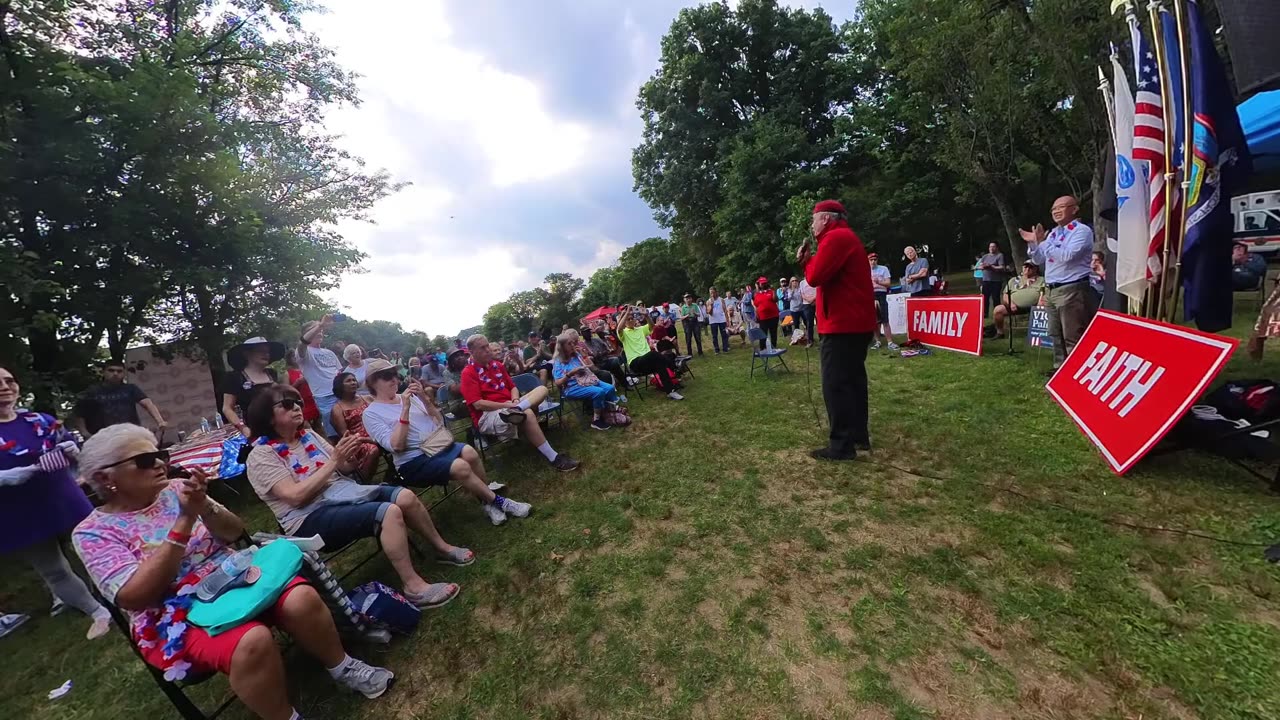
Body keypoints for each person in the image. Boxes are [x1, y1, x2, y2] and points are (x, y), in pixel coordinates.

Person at [74, 423, 395, 718]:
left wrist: (205, 506)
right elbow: (134, 596)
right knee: (251, 640)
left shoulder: (176, 489)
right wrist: (185, 521)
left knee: (301, 599)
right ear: (105, 478)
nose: (160, 463)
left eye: (160, 454)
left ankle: (343, 667)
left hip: (235, 578)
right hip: (175, 615)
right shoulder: (93, 532)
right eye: (145, 460)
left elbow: (233, 532)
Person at [245, 385, 466, 610]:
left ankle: (442, 548)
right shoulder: (261, 455)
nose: (297, 408)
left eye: (298, 402)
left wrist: (349, 456)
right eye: (287, 404)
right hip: (308, 518)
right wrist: (334, 462)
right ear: (267, 417)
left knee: (405, 496)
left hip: (342, 493)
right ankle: (414, 588)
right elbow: (296, 497)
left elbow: (343, 467)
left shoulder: (307, 435)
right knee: (388, 512)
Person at [0, 366, 112, 640]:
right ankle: (98, 612)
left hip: (64, 497)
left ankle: (121, 592)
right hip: (17, 512)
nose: (5, 387)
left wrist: (75, 453)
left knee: (102, 546)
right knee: (54, 570)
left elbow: (74, 458)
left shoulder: (40, 420)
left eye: (9, 380)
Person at [360, 360, 535, 525]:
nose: (394, 379)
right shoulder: (371, 413)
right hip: (413, 461)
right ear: (373, 382)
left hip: (437, 446)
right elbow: (396, 446)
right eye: (387, 376)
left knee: (470, 452)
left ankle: (487, 502)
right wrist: (404, 410)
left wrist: (424, 398)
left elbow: (439, 421)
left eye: (395, 374)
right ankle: (501, 502)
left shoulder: (409, 397)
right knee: (460, 466)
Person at [797, 200, 877, 461]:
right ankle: (857, 435)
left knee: (835, 384)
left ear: (826, 219)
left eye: (814, 219)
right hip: (855, 323)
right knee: (853, 381)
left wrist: (806, 261)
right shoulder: (845, 237)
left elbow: (816, 276)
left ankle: (841, 446)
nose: (812, 224)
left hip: (842, 325)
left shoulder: (835, 239)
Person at [460, 334, 581, 471]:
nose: (488, 349)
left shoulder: (497, 365)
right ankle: (554, 458)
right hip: (488, 414)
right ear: (472, 352)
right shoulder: (468, 373)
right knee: (528, 413)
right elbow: (478, 404)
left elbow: (513, 387)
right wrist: (507, 405)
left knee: (542, 389)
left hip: (511, 405)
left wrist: (515, 401)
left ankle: (517, 409)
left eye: (488, 345)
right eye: (483, 348)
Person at [1019, 195, 1099, 369]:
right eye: (1053, 209)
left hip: (1072, 288)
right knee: (1055, 333)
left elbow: (1067, 256)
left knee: (1072, 334)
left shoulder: (1081, 231)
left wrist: (1043, 242)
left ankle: (1077, 370)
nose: (1056, 211)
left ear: (1074, 209)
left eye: (1061, 207)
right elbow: (1040, 260)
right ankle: (1060, 369)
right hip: (1051, 290)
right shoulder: (1054, 233)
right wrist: (1034, 244)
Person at [73, 360, 167, 438]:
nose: (115, 373)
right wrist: (84, 433)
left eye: (119, 371)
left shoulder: (131, 389)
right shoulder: (92, 392)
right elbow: (79, 414)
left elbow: (147, 403)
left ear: (124, 373)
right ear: (103, 372)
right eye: (111, 370)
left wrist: (160, 421)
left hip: (131, 435)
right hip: (104, 438)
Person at [552, 333, 620, 431]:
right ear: (562, 347)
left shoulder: (576, 355)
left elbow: (592, 367)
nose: (573, 345)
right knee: (599, 392)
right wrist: (570, 374)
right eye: (569, 344)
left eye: (573, 343)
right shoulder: (558, 362)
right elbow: (558, 383)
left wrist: (584, 356)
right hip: (571, 387)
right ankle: (596, 420)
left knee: (609, 388)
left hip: (588, 380)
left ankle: (609, 412)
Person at [222, 337, 284, 439]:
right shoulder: (235, 377)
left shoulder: (272, 374)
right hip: (254, 430)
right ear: (247, 354)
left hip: (280, 426)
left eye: (268, 352)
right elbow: (227, 408)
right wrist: (243, 428)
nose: (266, 354)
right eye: (261, 351)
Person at [616, 309, 684, 400]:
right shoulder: (623, 333)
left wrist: (647, 316)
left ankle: (670, 391)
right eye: (628, 319)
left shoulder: (640, 329)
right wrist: (626, 313)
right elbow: (619, 328)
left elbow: (652, 327)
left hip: (648, 361)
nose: (631, 320)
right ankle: (674, 366)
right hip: (635, 363)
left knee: (661, 364)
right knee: (654, 354)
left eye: (632, 318)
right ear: (624, 322)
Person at [297, 315, 344, 436]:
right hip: (324, 398)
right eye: (317, 329)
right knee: (336, 434)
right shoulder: (304, 353)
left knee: (353, 428)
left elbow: (340, 372)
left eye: (321, 330)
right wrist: (320, 325)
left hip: (342, 394)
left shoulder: (329, 353)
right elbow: (302, 342)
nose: (320, 332)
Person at [328, 373, 380, 480]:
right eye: (348, 381)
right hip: (358, 441)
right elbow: (345, 435)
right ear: (340, 386)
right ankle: (364, 482)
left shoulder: (368, 398)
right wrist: (366, 439)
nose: (353, 382)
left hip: (377, 432)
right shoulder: (337, 409)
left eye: (354, 380)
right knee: (372, 449)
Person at [993, 261, 1047, 337]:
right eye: (1026, 266)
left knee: (1044, 305)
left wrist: (1041, 301)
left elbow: (1045, 292)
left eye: (1031, 267)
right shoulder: (1013, 280)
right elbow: (1005, 295)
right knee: (998, 310)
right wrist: (1011, 304)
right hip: (1014, 307)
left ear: (1036, 269)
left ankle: (1040, 335)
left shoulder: (1042, 280)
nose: (1027, 269)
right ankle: (1000, 333)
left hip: (1036, 305)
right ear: (1022, 268)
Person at [285, 350, 323, 435]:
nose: (295, 358)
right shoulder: (287, 373)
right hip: (300, 404)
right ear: (289, 359)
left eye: (296, 356)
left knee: (319, 427)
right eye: (293, 356)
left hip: (313, 401)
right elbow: (285, 391)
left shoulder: (306, 369)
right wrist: (297, 383)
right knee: (306, 428)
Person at [868, 252, 898, 351]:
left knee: (885, 318)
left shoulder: (883, 269)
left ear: (877, 260)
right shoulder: (865, 270)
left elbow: (888, 283)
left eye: (875, 260)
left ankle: (890, 342)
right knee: (875, 320)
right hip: (870, 295)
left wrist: (878, 282)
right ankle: (877, 341)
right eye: (871, 260)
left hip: (881, 294)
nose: (873, 262)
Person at [979, 242, 1008, 317]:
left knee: (996, 297)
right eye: (990, 247)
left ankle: (997, 312)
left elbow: (1002, 267)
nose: (991, 248)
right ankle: (985, 313)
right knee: (985, 297)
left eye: (993, 246)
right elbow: (980, 266)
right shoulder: (985, 256)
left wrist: (992, 267)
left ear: (997, 248)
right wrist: (983, 267)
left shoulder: (999, 255)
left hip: (996, 280)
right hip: (986, 280)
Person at [752, 277, 781, 349]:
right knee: (763, 333)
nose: (763, 284)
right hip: (763, 317)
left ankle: (774, 346)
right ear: (759, 285)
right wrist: (756, 315)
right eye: (762, 283)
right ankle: (762, 348)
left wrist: (774, 291)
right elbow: (756, 305)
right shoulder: (757, 294)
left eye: (764, 283)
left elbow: (775, 300)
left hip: (773, 316)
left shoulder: (770, 291)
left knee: (773, 332)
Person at [706, 287, 730, 354]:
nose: (712, 294)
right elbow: (709, 313)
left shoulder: (721, 299)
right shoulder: (708, 301)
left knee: (724, 335)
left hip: (722, 320)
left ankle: (725, 348)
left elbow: (725, 310)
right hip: (713, 321)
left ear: (716, 292)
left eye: (713, 292)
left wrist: (727, 320)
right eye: (711, 293)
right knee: (714, 336)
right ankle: (717, 350)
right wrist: (711, 305)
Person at [798, 277, 817, 342]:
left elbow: (818, 291)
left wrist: (813, 299)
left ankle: (822, 339)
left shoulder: (816, 280)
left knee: (819, 321)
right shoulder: (802, 283)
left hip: (816, 302)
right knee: (809, 323)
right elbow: (802, 294)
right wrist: (809, 300)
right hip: (806, 304)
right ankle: (810, 340)